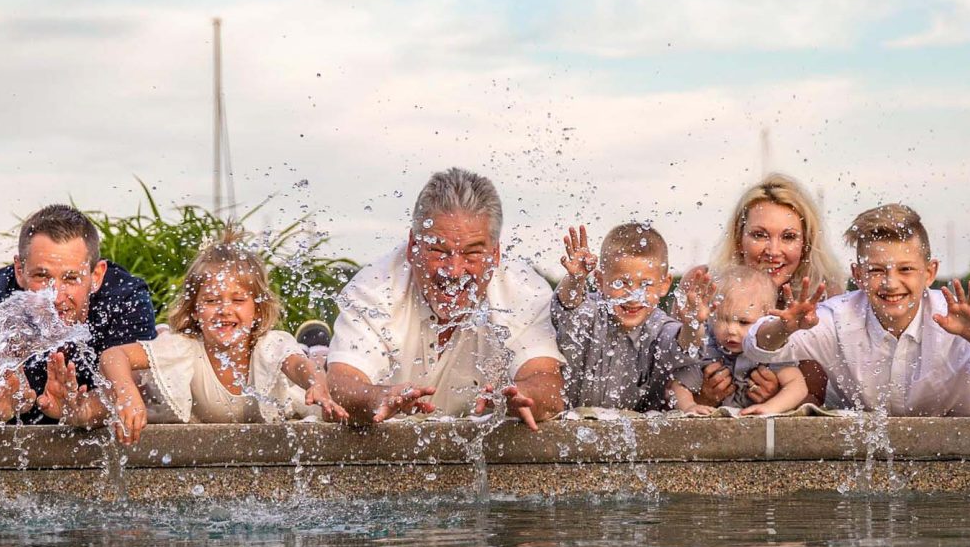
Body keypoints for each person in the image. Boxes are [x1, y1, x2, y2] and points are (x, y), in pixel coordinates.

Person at [325, 167, 567, 428]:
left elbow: (548, 385)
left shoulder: (524, 293)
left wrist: (523, 395)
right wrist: (377, 396)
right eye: (438, 250)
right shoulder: (373, 288)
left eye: (472, 254)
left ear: (495, 255)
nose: (453, 270)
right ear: (412, 246)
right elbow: (342, 384)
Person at [739, 204, 970, 415]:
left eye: (906, 269)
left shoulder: (951, 316)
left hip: (966, 440)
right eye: (877, 270)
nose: (891, 283)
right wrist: (785, 328)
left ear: (929, 273)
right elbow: (755, 346)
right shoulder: (838, 317)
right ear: (857, 274)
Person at [0, 204, 159, 442]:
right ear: (19, 270)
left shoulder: (123, 297)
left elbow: (132, 392)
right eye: (41, 276)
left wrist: (83, 411)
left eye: (71, 278)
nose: (56, 297)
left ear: (96, 276)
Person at [114, 239, 341, 423]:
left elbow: (296, 365)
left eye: (238, 299)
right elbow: (114, 355)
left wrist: (315, 383)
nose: (225, 310)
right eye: (211, 300)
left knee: (319, 369)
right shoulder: (185, 347)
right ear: (194, 310)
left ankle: (315, 349)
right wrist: (126, 393)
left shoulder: (268, 345)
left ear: (258, 310)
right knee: (160, 354)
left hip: (291, 393)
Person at [699, 174, 845, 409]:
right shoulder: (705, 286)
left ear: (805, 244)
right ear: (739, 238)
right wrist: (703, 396)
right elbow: (672, 376)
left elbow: (826, 396)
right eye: (759, 235)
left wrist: (779, 397)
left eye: (788, 237)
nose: (773, 251)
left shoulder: (824, 296)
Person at [550, 222, 704, 411]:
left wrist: (692, 325)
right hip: (572, 420)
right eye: (621, 283)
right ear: (599, 281)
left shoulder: (658, 326)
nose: (633, 296)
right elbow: (568, 307)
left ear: (664, 285)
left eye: (646, 284)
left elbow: (683, 349)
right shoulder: (592, 313)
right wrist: (575, 280)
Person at [673, 264, 810, 415]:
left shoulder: (770, 350)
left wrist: (771, 407)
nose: (731, 330)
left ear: (766, 320)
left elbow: (797, 386)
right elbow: (677, 385)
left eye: (743, 322)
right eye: (722, 319)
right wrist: (689, 407)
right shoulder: (707, 346)